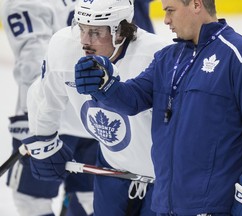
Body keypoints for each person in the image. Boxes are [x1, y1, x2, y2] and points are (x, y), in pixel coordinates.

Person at [73, 0, 242, 215]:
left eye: (170, 10)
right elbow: (133, 99)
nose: (166, 20)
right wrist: (105, 86)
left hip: (215, 207)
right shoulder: (167, 58)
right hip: (167, 205)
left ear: (196, 4)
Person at [22, 0, 170, 215]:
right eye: (81, 28)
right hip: (110, 168)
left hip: (161, 177)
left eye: (95, 32)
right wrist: (44, 139)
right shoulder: (65, 46)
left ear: (121, 31)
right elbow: (44, 95)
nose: (83, 41)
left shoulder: (156, 55)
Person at [1, 0, 97, 215]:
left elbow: (33, 61)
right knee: (91, 197)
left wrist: (36, 116)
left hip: (50, 119)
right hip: (93, 113)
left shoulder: (23, 2)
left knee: (31, 200)